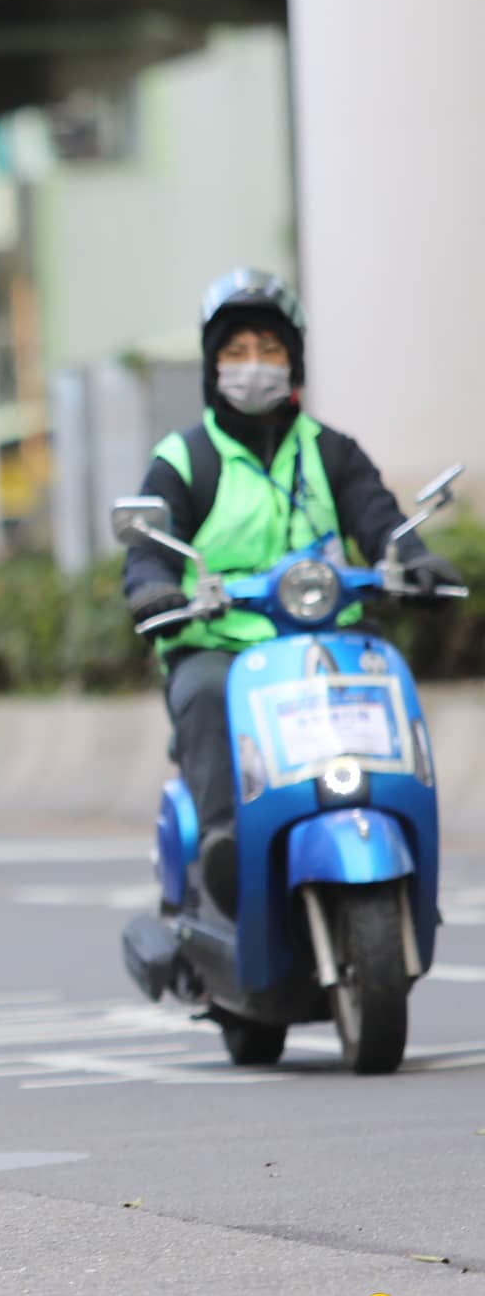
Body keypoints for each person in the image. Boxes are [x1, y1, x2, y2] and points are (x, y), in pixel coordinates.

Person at [122, 269, 462, 913]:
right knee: (198, 694)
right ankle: (224, 844)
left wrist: (415, 557)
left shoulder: (332, 452)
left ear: (294, 361)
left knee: (389, 680)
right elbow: (148, 547)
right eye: (237, 352)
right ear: (212, 365)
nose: (255, 367)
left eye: (271, 351)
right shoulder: (183, 458)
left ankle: (404, 829)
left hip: (328, 637)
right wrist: (152, 589)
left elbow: (378, 519)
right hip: (221, 641)